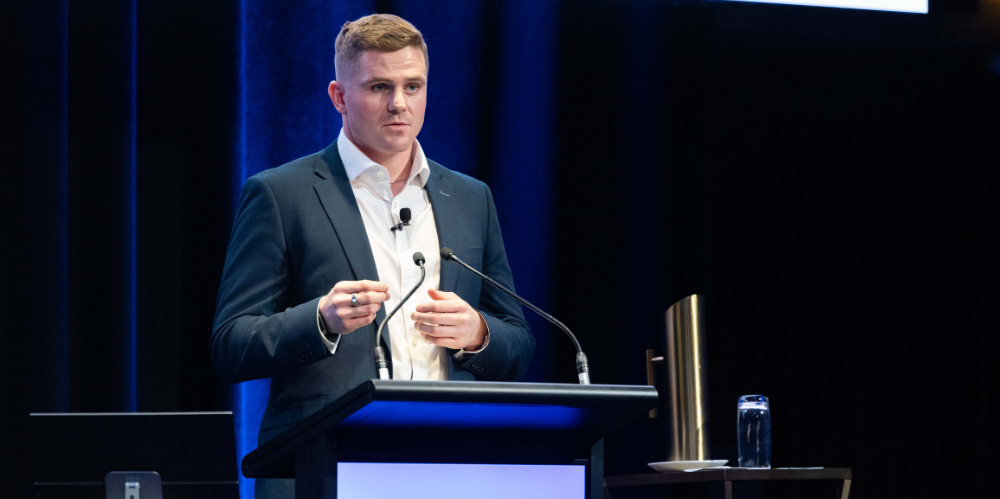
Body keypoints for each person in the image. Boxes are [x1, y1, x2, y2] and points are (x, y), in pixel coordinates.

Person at [211, 13, 534, 498]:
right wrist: (319, 320)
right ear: (340, 97)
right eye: (380, 86)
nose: (399, 103)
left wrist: (478, 334)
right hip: (325, 466)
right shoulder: (281, 194)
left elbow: (518, 343)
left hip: (450, 464)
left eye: (413, 85)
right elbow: (231, 344)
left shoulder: (470, 197)